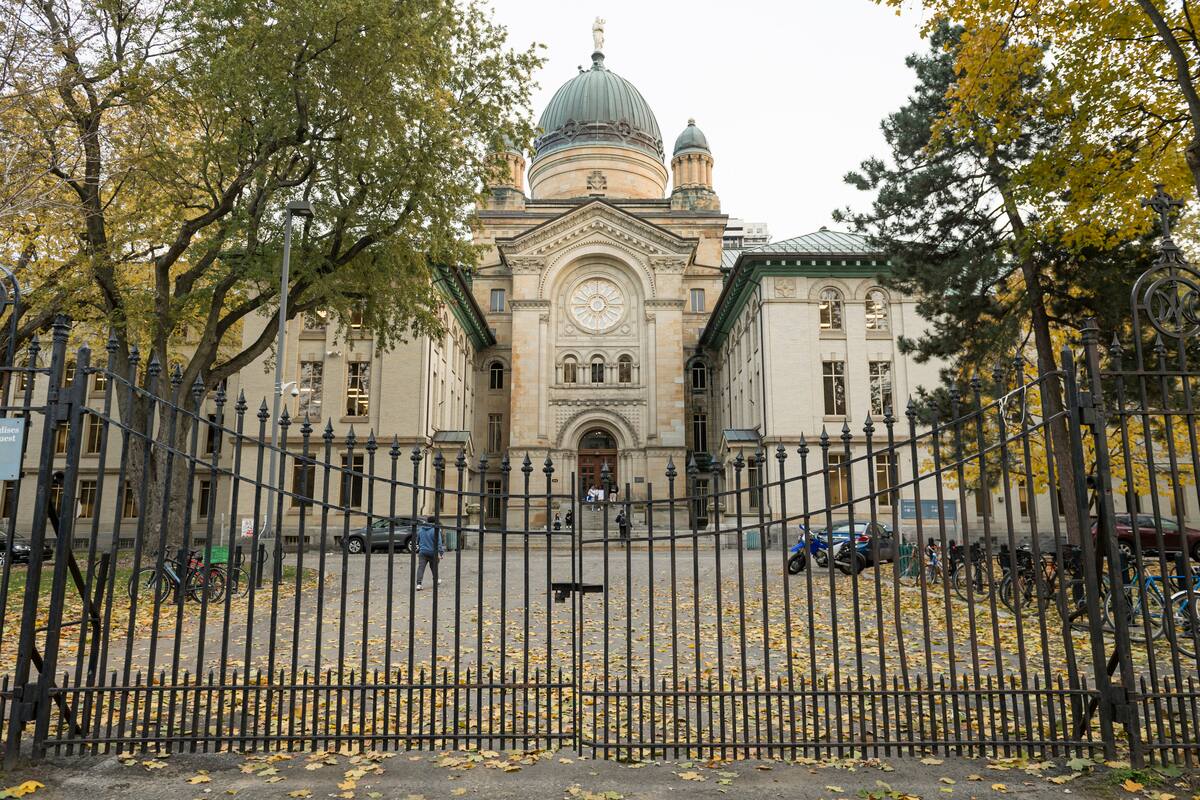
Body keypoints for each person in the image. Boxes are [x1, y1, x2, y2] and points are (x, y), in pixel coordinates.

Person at [415, 520, 444, 591]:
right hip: (433, 552)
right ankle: (436, 580)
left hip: (423, 552)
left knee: (421, 568)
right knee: (434, 567)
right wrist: (441, 553)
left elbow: (417, 541)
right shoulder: (436, 530)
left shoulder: (421, 529)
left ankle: (419, 584)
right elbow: (439, 543)